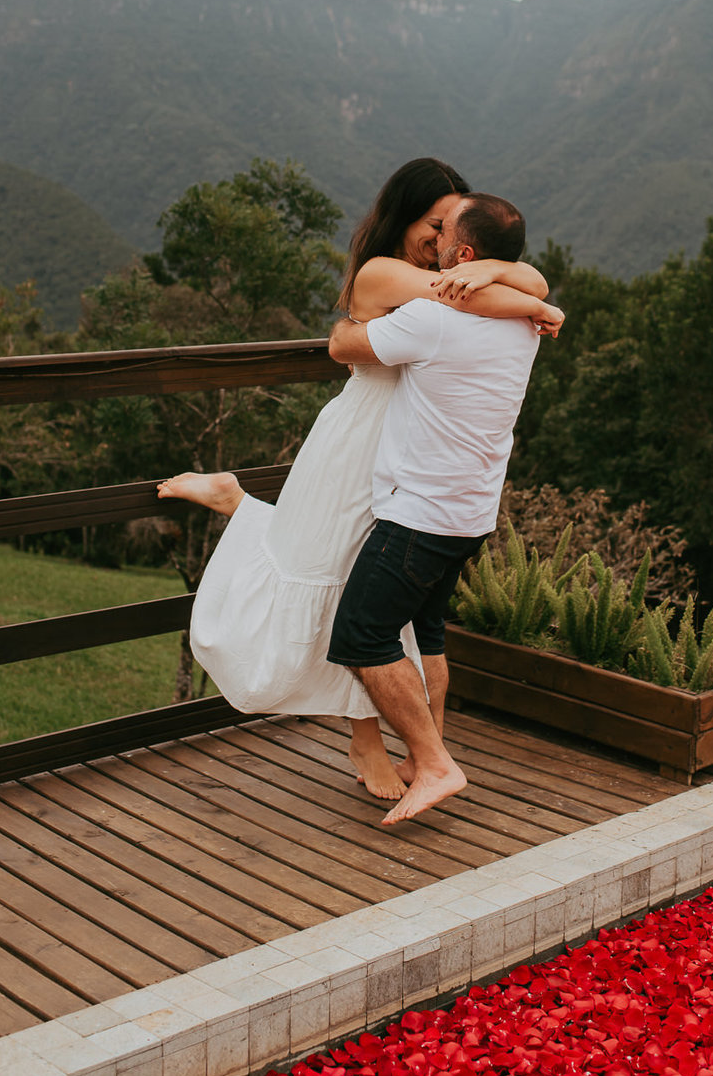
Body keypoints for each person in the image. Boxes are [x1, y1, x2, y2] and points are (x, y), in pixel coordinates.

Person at [157, 158, 562, 802]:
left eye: (450, 227)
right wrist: (529, 296)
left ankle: (421, 751)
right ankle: (367, 740)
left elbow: (522, 278)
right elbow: (501, 296)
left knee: (382, 600)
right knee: (338, 577)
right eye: (432, 223)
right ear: (405, 219)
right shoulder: (384, 273)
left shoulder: (459, 275)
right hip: (364, 436)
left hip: (413, 445)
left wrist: (499, 272)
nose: (439, 238)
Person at [325, 191, 542, 827]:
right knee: (427, 632)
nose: (436, 241)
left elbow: (346, 347)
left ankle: (435, 762)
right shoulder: (526, 323)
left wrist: (346, 325)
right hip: (471, 513)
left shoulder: (432, 319)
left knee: (361, 637)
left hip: (419, 514)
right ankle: (428, 755)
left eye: (445, 233)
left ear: (464, 255)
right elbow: (524, 289)